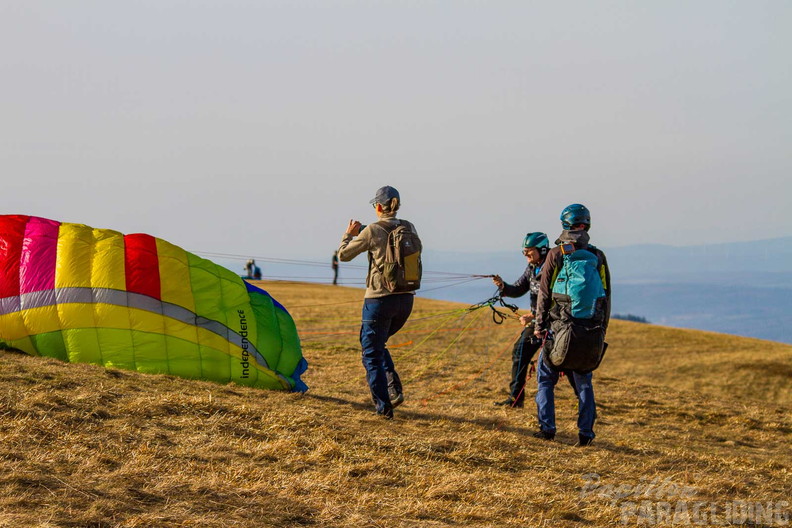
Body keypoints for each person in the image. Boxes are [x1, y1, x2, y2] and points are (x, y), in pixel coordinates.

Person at [337, 185, 418, 419]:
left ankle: (384, 408)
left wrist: (349, 235)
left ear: (379, 207)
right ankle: (393, 389)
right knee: (378, 345)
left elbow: (344, 255)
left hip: (379, 300)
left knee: (370, 353)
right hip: (406, 299)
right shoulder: (409, 227)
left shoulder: (372, 230)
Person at [533, 204, 611, 446]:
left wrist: (539, 326)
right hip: (590, 328)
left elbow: (544, 293)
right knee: (584, 382)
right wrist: (602, 329)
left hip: (560, 327)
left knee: (545, 379)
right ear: (587, 224)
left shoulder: (556, 254)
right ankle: (586, 434)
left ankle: (547, 429)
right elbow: (606, 295)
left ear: (565, 224)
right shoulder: (598, 256)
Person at [491, 232, 555, 408]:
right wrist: (503, 286)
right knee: (520, 352)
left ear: (542, 249)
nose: (526, 254)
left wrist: (533, 316)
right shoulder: (532, 267)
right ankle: (516, 399)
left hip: (553, 322)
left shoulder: (553, 267)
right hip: (537, 322)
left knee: (561, 364)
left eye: (530, 250)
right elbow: (519, 288)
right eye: (524, 251)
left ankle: (584, 403)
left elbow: (557, 300)